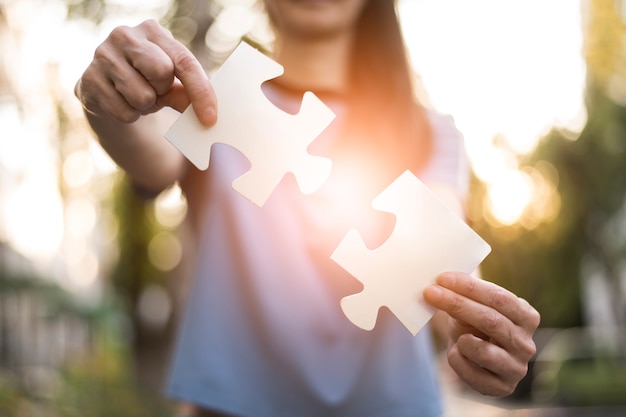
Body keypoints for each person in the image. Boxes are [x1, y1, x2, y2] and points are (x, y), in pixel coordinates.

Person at [75, 1, 541, 416]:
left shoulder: (430, 131)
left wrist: (480, 330)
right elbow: (146, 152)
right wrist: (107, 98)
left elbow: (444, 263)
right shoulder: (208, 98)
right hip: (229, 406)